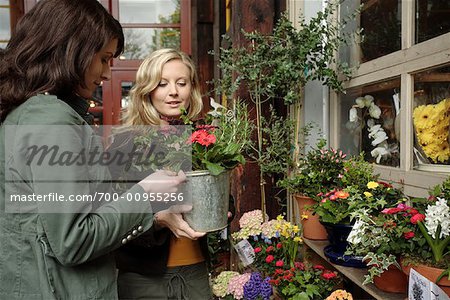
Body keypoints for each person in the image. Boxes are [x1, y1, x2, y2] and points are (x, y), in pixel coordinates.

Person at [0, 1, 204, 299]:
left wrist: (156, 212)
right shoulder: (50, 120)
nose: (107, 72)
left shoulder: (33, 113)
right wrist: (146, 197)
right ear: (73, 52)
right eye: (104, 58)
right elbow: (73, 240)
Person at [109, 48, 212, 300]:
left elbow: (215, 189)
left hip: (196, 271)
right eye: (162, 84)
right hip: (144, 276)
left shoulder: (202, 138)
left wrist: (221, 209)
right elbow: (112, 215)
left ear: (192, 88)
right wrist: (156, 219)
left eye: (181, 83)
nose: (173, 92)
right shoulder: (124, 144)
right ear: (147, 90)